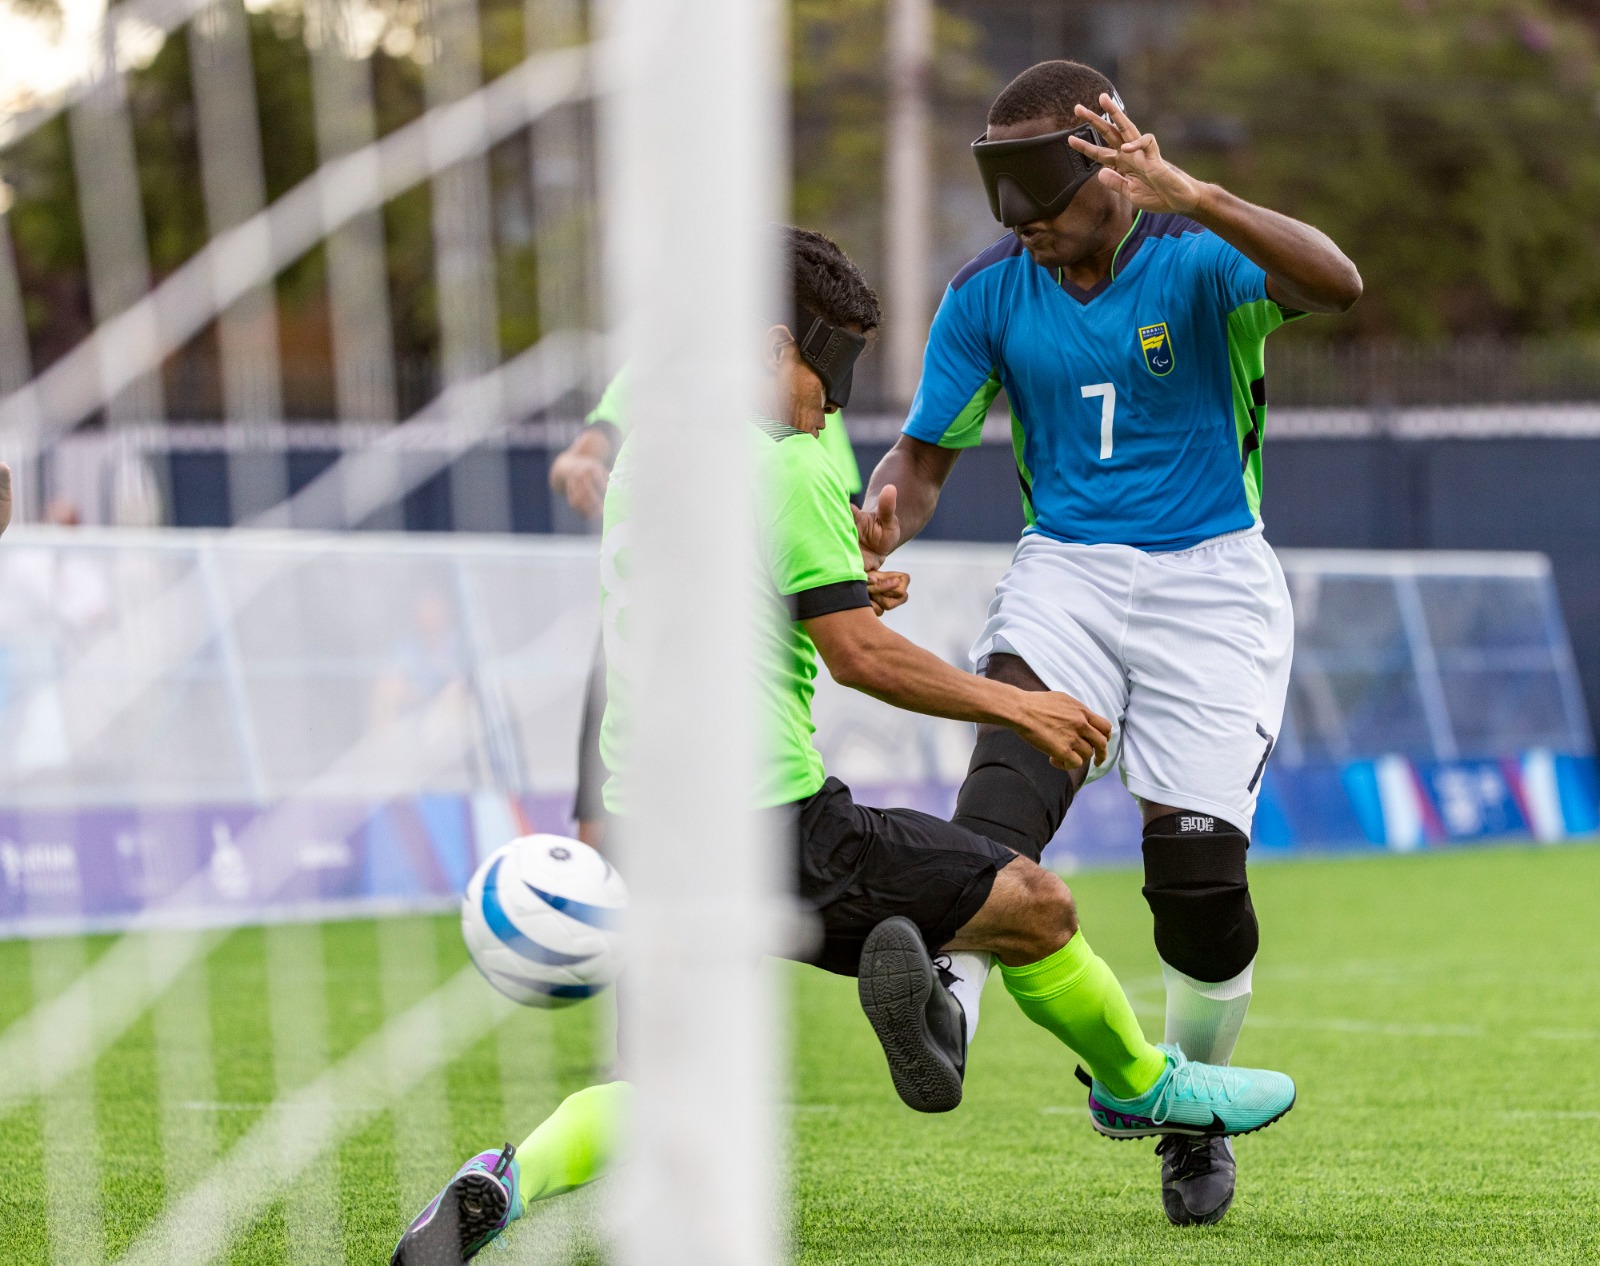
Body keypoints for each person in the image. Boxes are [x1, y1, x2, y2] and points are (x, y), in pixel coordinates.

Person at [391, 227, 1300, 1264]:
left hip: (652, 825)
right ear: (776, 345)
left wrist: (831, 589)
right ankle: (1145, 1089)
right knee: (1034, 905)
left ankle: (498, 1183)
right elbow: (861, 658)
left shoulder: (657, 451)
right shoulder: (780, 466)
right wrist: (1022, 710)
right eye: (830, 372)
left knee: (673, 1085)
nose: (834, 400)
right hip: (775, 827)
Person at [855, 60, 1361, 1227]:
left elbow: (1337, 282)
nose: (1036, 236)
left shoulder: (1198, 256)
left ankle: (1185, 1118)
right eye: (1016, 218)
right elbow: (922, 459)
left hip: (1213, 584)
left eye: (1055, 212)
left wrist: (1200, 195)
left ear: (1115, 171)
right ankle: (942, 1001)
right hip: (1065, 572)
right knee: (1001, 805)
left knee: (1197, 885)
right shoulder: (986, 292)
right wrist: (885, 511)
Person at [551, 370, 865, 849]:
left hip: (744, 618)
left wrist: (853, 573)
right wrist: (577, 465)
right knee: (604, 820)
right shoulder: (659, 363)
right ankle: (602, 913)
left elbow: (834, 519)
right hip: (644, 618)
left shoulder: (809, 384)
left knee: (748, 795)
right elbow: (584, 449)